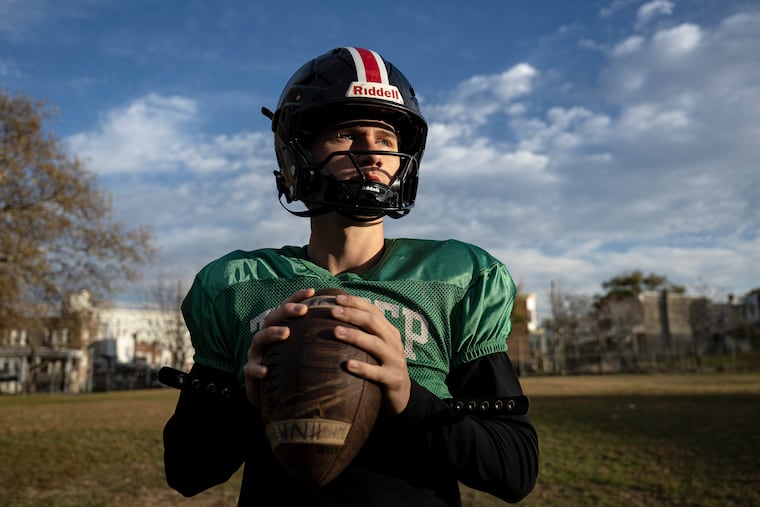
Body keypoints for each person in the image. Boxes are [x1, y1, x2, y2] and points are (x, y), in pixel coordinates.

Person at [162, 46, 539, 506]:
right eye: (347, 134)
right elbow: (186, 471)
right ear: (297, 150)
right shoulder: (237, 285)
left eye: (385, 139)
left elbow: (515, 470)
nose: (373, 153)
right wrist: (249, 400)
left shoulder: (460, 279)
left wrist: (406, 394)